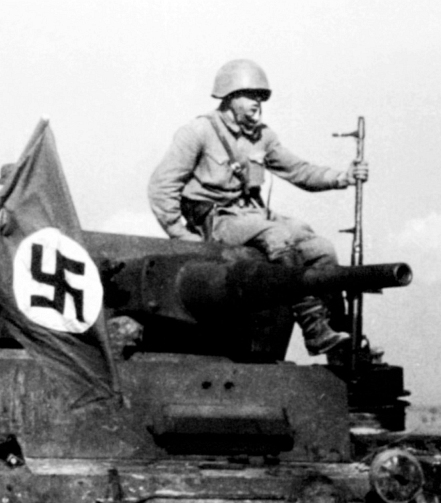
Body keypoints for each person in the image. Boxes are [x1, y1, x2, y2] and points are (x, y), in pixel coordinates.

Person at [148, 58, 368, 355]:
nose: (257, 103)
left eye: (261, 97)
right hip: (218, 219)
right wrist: (180, 235)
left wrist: (342, 177)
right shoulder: (198, 132)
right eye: (250, 95)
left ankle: (340, 338)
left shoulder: (263, 136)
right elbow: (162, 186)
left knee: (321, 248)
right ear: (230, 96)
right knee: (278, 236)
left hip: (252, 215)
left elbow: (298, 170)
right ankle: (313, 327)